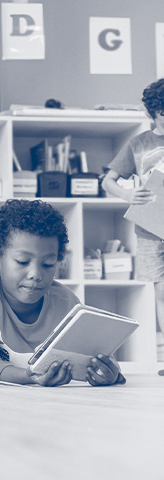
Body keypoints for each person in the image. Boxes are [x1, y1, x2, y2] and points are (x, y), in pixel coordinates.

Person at [0, 199, 125, 386]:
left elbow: (98, 359)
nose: (35, 274)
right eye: (22, 262)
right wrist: (32, 376)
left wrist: (110, 375)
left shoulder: (67, 302)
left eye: (48, 264)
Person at [102, 78, 164, 372]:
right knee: (162, 293)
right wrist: (128, 194)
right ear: (151, 113)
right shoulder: (139, 144)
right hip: (150, 229)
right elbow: (108, 182)